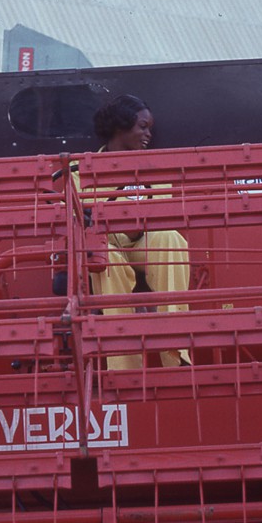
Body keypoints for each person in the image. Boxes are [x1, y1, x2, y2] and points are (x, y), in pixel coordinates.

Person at [79, 94, 191, 369]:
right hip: (109, 245)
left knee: (171, 238)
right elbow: (80, 221)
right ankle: (124, 367)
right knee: (103, 257)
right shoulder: (81, 170)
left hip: (144, 242)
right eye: (143, 127)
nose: (149, 134)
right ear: (120, 126)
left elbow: (164, 216)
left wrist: (134, 225)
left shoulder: (157, 169)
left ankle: (176, 354)